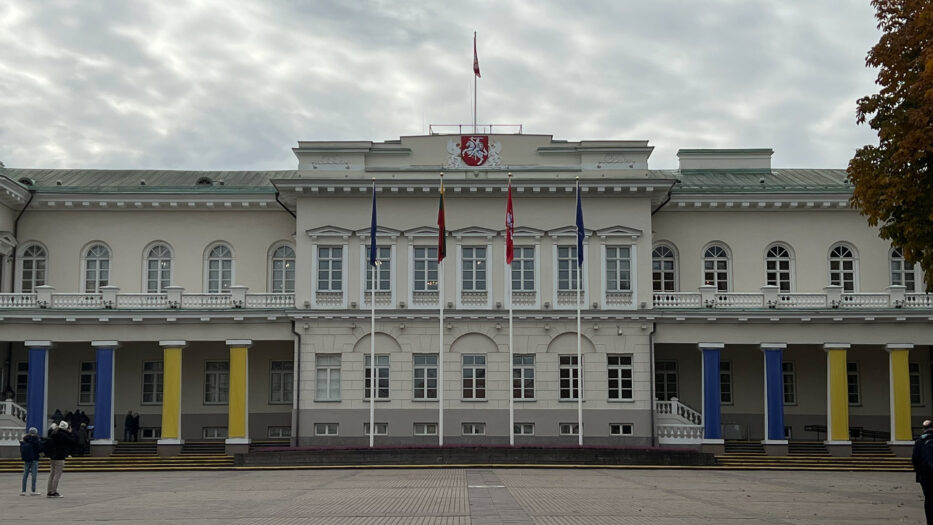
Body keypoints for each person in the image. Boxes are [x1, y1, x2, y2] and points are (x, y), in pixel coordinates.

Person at [46, 420, 76, 498]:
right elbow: (73, 441)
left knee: (52, 474)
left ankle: (49, 491)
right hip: (60, 456)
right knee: (57, 475)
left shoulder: (53, 433)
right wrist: (70, 432)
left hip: (52, 456)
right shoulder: (64, 435)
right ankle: (53, 492)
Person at [914, 419, 933, 524]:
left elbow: (915, 459)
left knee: (929, 499)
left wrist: (920, 473)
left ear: (923, 429)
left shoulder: (919, 441)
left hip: (925, 477)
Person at [19, 427, 42, 496]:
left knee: (25, 475)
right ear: (35, 432)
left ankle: (23, 491)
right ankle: (33, 490)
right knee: (34, 475)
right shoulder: (36, 439)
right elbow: (39, 449)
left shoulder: (25, 439)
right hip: (34, 459)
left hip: (26, 459)